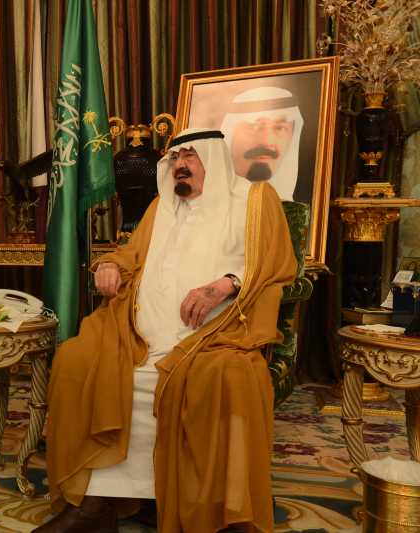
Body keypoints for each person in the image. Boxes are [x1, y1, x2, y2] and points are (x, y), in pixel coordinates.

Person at [35, 128, 296, 533]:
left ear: (214, 160)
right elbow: (130, 254)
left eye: (190, 157)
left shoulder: (254, 200)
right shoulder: (162, 207)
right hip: (144, 331)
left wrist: (223, 284)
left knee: (223, 378)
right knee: (77, 358)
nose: (180, 166)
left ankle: (214, 506)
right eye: (174, 159)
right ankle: (97, 503)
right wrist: (110, 266)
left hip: (216, 332)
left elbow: (275, 261)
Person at [219, 86, 304, 201]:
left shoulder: (294, 213)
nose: (266, 141)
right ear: (230, 133)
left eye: (279, 128)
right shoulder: (213, 207)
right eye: (254, 126)